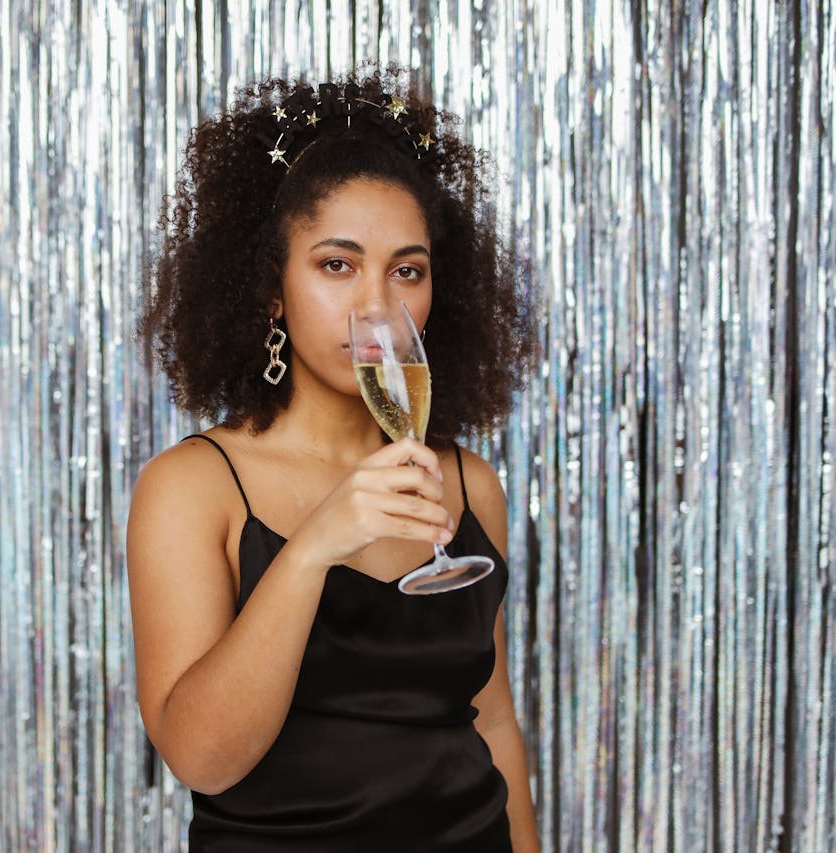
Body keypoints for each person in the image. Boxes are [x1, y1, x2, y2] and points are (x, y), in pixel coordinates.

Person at [128, 68, 541, 851]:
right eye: (336, 265)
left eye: (407, 271)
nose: (377, 307)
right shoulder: (192, 487)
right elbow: (201, 759)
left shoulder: (467, 484)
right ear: (271, 289)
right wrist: (316, 544)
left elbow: (492, 723)